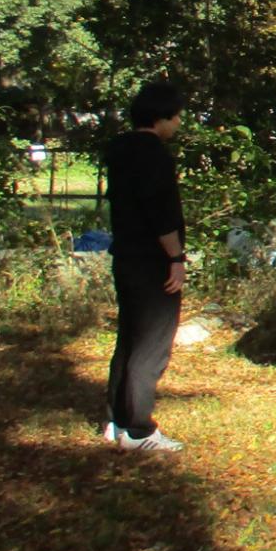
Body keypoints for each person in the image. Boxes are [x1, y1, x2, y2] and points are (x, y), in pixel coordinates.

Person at [103, 80, 189, 453]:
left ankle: (116, 419)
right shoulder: (153, 155)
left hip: (125, 256)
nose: (179, 124)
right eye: (177, 117)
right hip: (152, 262)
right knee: (152, 343)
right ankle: (139, 429)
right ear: (161, 117)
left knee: (129, 338)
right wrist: (176, 258)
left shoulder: (120, 151)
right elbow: (160, 214)